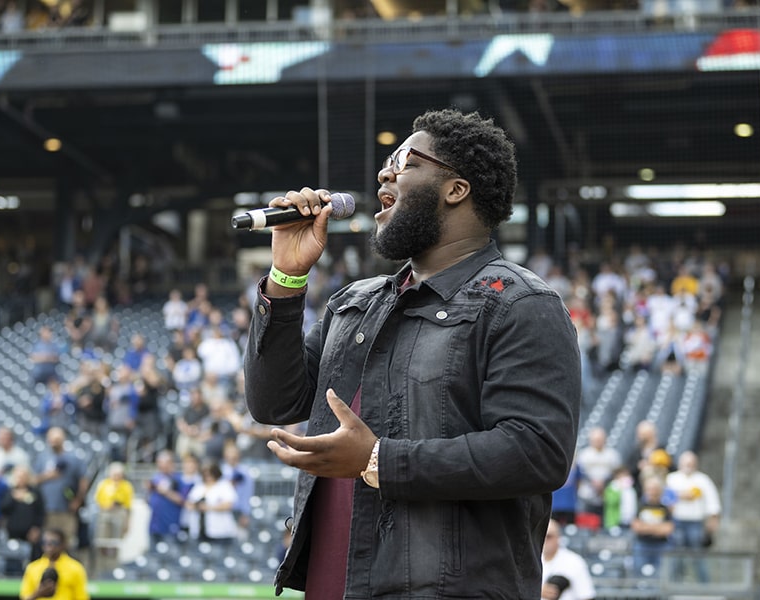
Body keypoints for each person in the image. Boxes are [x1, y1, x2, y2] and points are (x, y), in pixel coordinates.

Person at [243, 109, 581, 598]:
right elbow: (274, 403)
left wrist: (379, 459)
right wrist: (287, 279)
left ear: (456, 189)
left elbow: (536, 452)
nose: (385, 174)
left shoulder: (520, 304)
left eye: (403, 161)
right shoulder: (355, 302)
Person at [664, 450, 720, 582]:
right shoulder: (672, 478)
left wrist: (713, 518)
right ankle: (675, 584)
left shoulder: (702, 479)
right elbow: (666, 498)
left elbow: (712, 500)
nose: (688, 466)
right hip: (677, 521)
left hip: (696, 522)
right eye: (686, 463)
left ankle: (703, 585)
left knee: (698, 554)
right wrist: (682, 495)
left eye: (691, 463)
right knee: (677, 554)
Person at [19, 528, 90, 600]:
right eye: (44, 542)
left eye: (53, 542)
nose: (48, 546)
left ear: (63, 544)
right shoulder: (32, 567)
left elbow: (82, 597)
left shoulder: (75, 568)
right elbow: (25, 597)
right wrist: (38, 594)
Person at [541, 518, 596, 600]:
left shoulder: (574, 562)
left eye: (549, 536)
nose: (545, 540)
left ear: (558, 537)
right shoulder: (532, 560)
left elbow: (586, 596)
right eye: (542, 536)